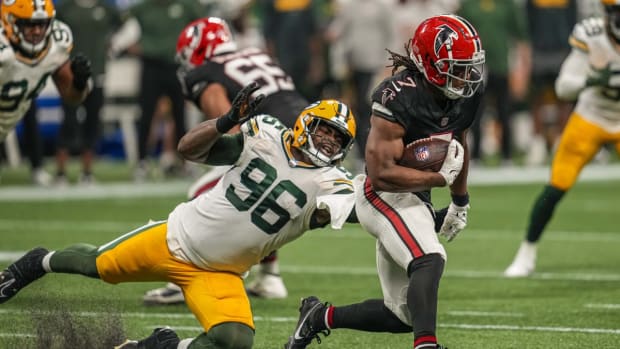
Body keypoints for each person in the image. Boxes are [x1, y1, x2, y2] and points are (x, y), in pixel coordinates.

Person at [0, 82, 358, 349]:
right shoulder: (263, 135)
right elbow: (189, 149)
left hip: (222, 272)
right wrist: (227, 120)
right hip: (176, 239)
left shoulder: (331, 182)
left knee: (234, 341)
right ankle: (35, 264)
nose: (329, 141)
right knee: (99, 264)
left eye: (337, 139)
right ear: (305, 124)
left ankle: (160, 345)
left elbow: (358, 210)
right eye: (325, 130)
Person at [284, 14, 485, 349]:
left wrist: (460, 201)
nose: (465, 76)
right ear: (429, 63)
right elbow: (381, 174)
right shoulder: (397, 95)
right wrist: (437, 178)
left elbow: (458, 142)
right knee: (429, 258)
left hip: (413, 196)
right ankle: (427, 345)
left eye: (468, 66)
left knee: (403, 314)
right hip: (380, 194)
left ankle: (318, 316)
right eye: (456, 66)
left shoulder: (467, 93)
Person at [142, 17, 309, 305]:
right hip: (308, 137)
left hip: (277, 143)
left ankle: (181, 279)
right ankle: (270, 277)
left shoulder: (207, 72)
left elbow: (231, 128)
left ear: (196, 50)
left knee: (204, 193)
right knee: (263, 198)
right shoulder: (256, 53)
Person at [504, 0, 620, 277]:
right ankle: (526, 253)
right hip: (591, 117)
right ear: (607, 14)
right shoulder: (592, 34)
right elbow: (563, 87)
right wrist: (591, 81)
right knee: (557, 185)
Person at [0, 0, 92, 166]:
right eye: (29, 25)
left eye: (41, 24)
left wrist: (79, 82)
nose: (36, 31)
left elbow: (72, 98)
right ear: (9, 21)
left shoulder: (56, 44)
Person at [53, 0, 122, 185]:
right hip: (71, 77)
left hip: (97, 72)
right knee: (68, 121)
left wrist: (115, 44)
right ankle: (60, 172)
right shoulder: (65, 9)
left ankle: (87, 172)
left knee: (92, 123)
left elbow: (128, 27)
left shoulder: (106, 9)